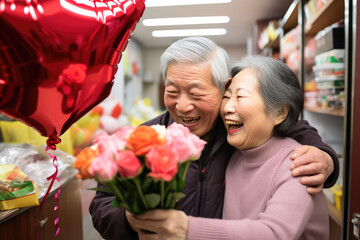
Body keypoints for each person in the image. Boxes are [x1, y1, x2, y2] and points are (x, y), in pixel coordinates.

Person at [90, 37, 339, 240]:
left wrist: (325, 156)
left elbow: (286, 124)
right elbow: (102, 203)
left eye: (196, 93)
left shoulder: (236, 133)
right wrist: (127, 219)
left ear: (223, 88)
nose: (183, 106)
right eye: (172, 92)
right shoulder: (144, 138)